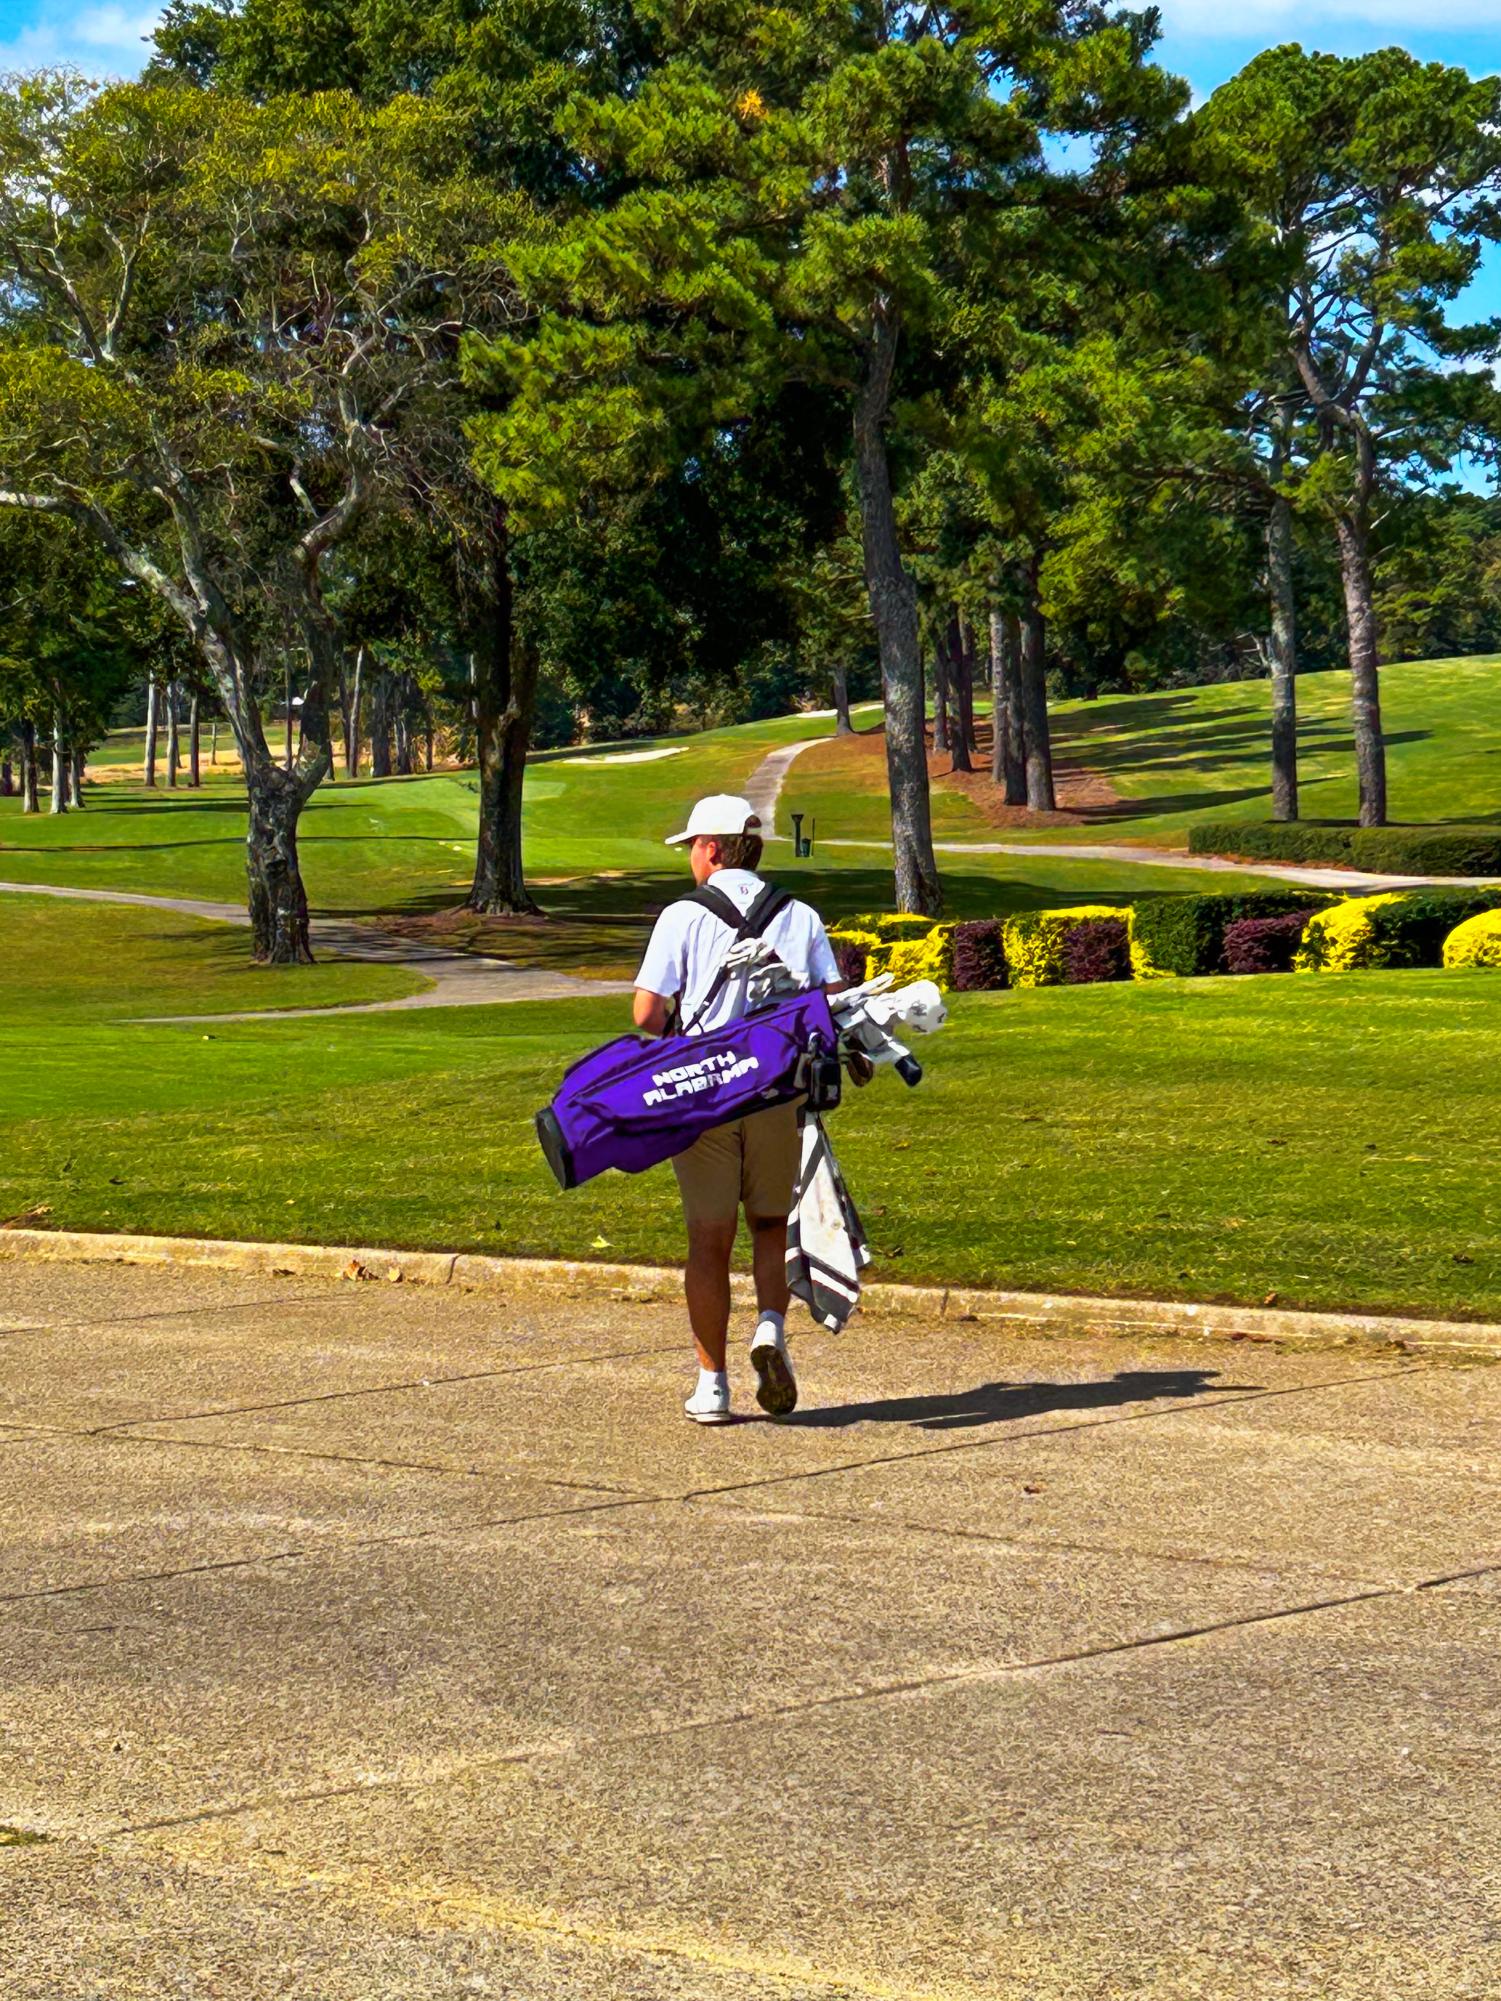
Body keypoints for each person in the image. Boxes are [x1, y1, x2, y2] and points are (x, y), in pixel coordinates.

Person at [633, 793, 841, 1425]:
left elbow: (646, 1013)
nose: (690, 859)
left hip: (706, 1097)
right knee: (770, 1227)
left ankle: (712, 1384)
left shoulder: (681, 916)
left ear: (714, 848)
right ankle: (771, 1329)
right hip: (777, 1095)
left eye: (693, 847)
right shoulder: (800, 915)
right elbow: (829, 1002)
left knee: (708, 1241)